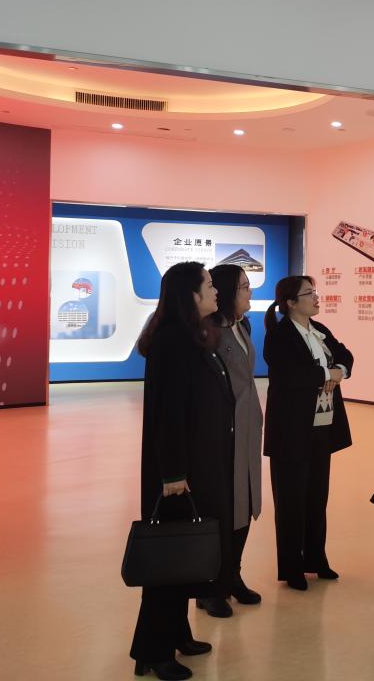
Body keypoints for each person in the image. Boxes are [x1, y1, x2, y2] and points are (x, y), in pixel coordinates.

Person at [130, 262, 235, 681]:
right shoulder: (173, 341)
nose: (216, 291)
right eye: (209, 285)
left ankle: (177, 633)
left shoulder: (192, 335)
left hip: (198, 463)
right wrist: (173, 474)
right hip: (179, 471)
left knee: (183, 556)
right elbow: (169, 414)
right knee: (169, 560)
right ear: (190, 294)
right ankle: (152, 652)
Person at [263, 275, 353, 591]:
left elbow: (345, 354)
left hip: (321, 426)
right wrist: (328, 373)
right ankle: (292, 567)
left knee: (317, 496)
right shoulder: (279, 336)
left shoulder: (319, 330)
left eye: (315, 292)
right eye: (309, 293)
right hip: (291, 431)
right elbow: (292, 375)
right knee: (291, 501)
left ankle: (316, 559)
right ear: (291, 302)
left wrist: (340, 371)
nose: (316, 298)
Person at [194, 264, 263, 618]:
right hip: (222, 432)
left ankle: (232, 575)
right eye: (244, 287)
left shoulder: (242, 325)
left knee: (245, 502)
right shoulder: (208, 332)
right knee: (221, 507)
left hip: (247, 427)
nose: (249, 292)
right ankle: (210, 587)